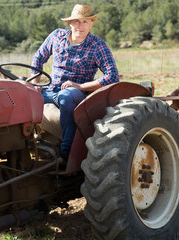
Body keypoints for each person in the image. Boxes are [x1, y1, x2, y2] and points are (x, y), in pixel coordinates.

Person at [31, 4, 119, 162]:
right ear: (70, 23)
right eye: (77, 21)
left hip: (75, 93)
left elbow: (112, 76)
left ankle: (66, 151)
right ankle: (29, 143)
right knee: (22, 96)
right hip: (50, 89)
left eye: (85, 21)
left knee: (66, 96)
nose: (81, 26)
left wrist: (80, 86)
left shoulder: (97, 46)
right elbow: (38, 58)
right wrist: (36, 82)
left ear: (91, 23)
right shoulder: (57, 36)